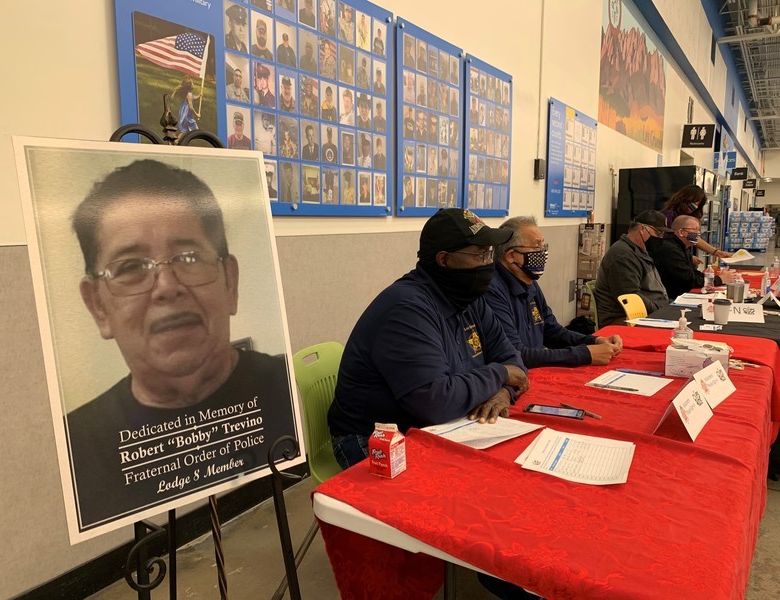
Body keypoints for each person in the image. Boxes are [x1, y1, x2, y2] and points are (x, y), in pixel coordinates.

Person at [67, 159, 294, 526]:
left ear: (230, 283)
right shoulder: (77, 447)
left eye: (189, 257)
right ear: (98, 307)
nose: (168, 287)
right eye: (130, 267)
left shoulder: (289, 390)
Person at [328, 208, 529, 468]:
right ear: (444, 259)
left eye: (490, 254)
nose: (488, 263)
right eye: (480, 254)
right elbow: (436, 401)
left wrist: (503, 392)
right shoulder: (406, 309)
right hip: (373, 438)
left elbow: (513, 360)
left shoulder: (470, 299)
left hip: (439, 424)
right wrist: (500, 374)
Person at [485, 217, 622, 368]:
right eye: (536, 247)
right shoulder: (491, 290)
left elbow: (552, 331)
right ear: (511, 255)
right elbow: (516, 353)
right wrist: (584, 354)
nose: (542, 252)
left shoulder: (529, 282)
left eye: (543, 245)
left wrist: (595, 341)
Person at [595, 210, 670, 327]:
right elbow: (631, 297)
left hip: (645, 313)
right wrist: (660, 310)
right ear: (642, 229)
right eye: (658, 233)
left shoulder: (638, 250)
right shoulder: (622, 255)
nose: (661, 238)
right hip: (625, 318)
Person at [647, 215, 734, 299]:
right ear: (681, 232)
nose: (698, 234)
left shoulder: (681, 247)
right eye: (694, 230)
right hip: (673, 298)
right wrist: (719, 279)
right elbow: (688, 281)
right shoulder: (671, 250)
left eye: (698, 230)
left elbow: (692, 273)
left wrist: (714, 278)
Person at [661, 184, 733, 261]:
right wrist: (688, 256)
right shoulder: (668, 216)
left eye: (698, 204)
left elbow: (694, 239)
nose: (696, 207)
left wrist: (717, 252)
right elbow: (664, 243)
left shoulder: (689, 216)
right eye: (695, 203)